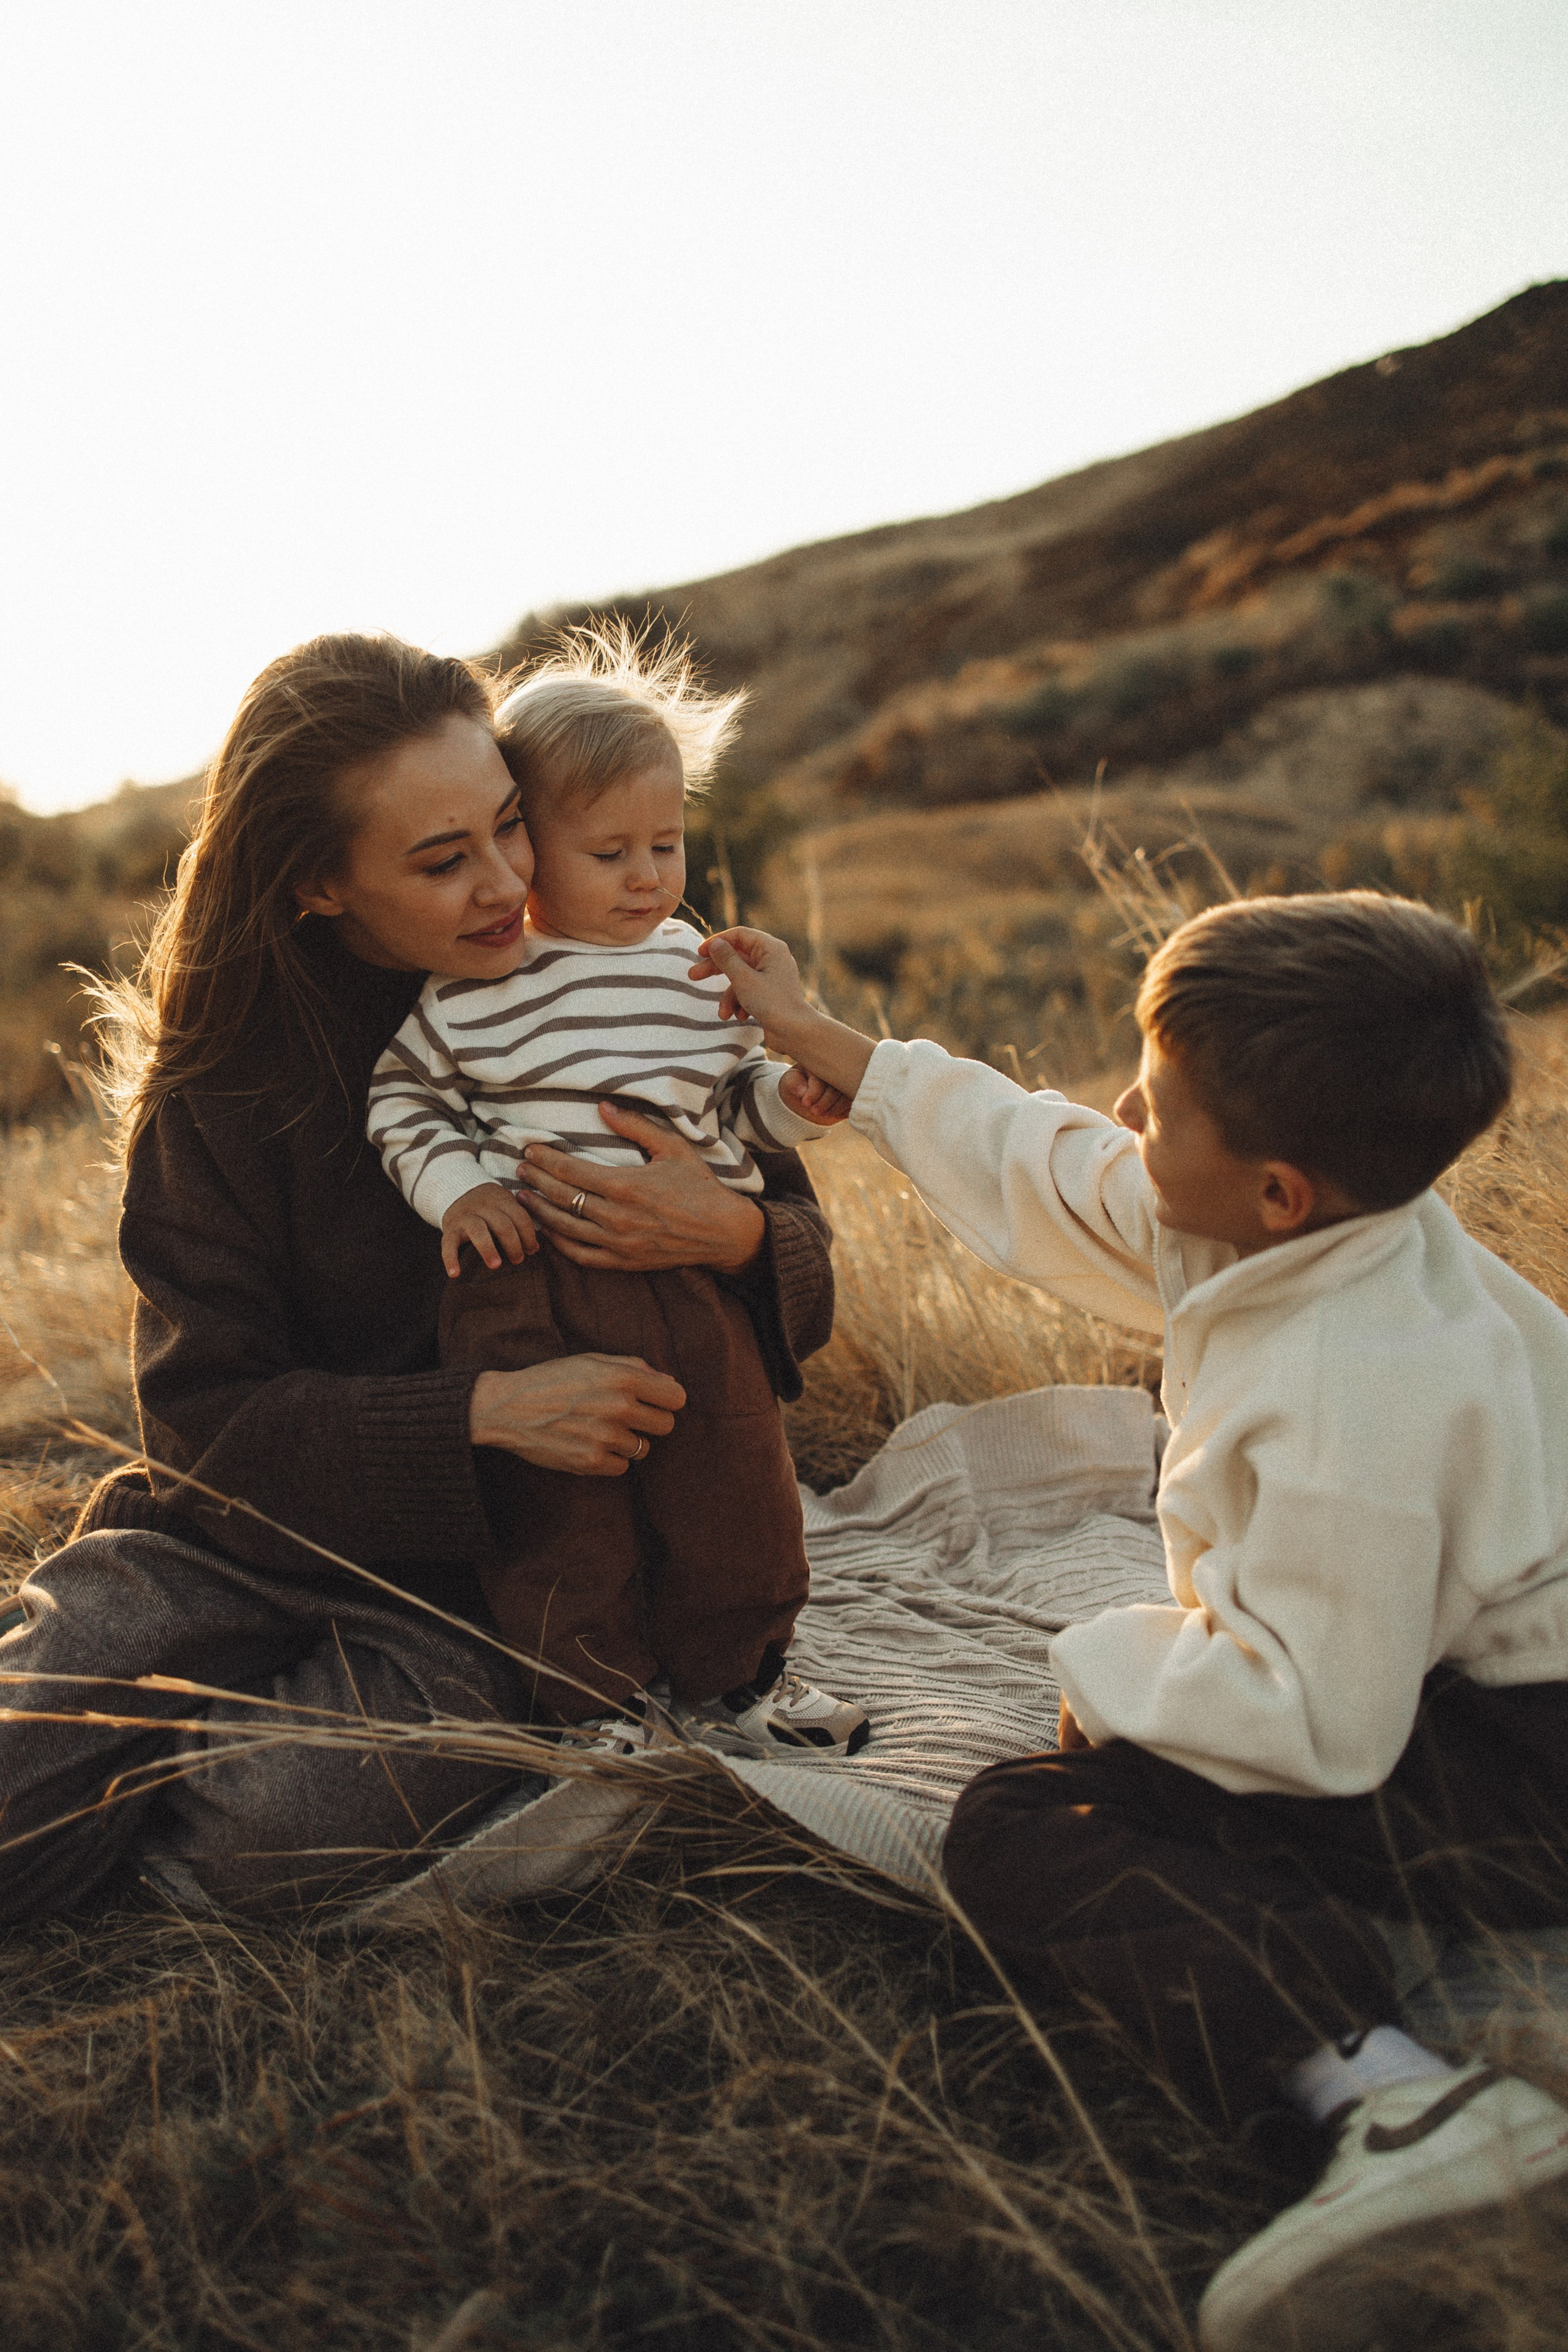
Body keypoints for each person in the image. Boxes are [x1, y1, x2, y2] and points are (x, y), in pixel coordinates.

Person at [688, 893, 1568, 2350]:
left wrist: (1106, 1675)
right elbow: (1060, 1165)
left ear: (1274, 1189)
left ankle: (1395, 2096)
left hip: (1530, 1767)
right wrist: (840, 1051)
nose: (1119, 1111)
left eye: (1155, 1108)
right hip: (1448, 1685)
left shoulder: (1365, 1391)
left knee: (1027, 1827)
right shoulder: (1304, 1228)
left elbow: (1312, 1722)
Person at [0, 632, 837, 1923]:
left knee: (272, 1832)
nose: (510, 882)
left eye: (511, 825)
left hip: (493, 1565)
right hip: (247, 1536)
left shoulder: (616, 992)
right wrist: (483, 1413)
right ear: (315, 888)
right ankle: (128, 1723)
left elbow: (799, 1258)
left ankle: (205, 1777)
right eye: (444, 861)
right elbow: (203, 1428)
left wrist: (719, 1233)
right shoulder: (222, 1097)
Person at [364, 625, 867, 1752]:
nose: (648, 877)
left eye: (668, 844)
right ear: (532, 849)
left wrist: (797, 1104)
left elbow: (735, 1111)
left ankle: (742, 1682)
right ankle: (600, 1707)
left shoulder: (701, 977)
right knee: (560, 1518)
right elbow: (404, 1106)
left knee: (735, 1481)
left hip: (689, 1281)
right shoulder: (473, 992)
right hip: (523, 1285)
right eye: (609, 853)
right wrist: (458, 1194)